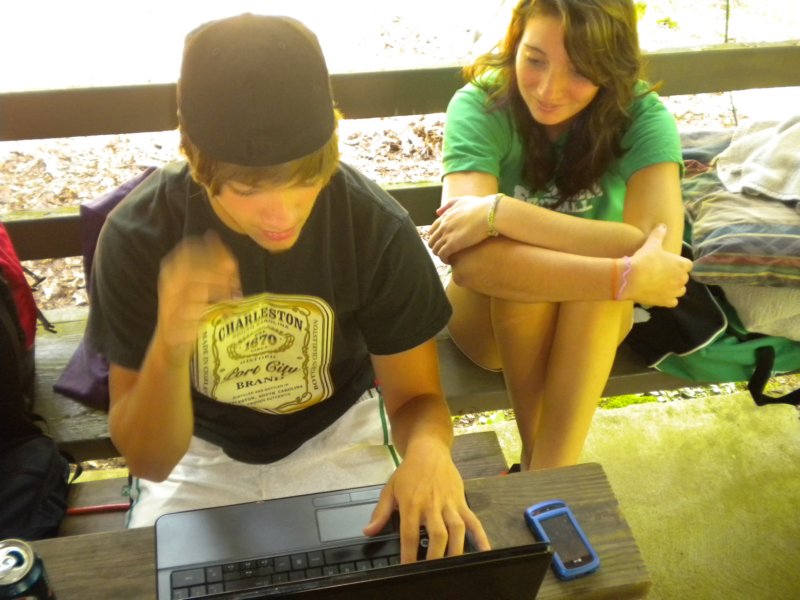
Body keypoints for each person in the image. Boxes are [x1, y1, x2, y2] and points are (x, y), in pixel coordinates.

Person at [86, 13, 489, 562]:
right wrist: (171, 345)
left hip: (337, 429)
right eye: (248, 189)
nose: (281, 215)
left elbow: (417, 399)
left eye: (304, 180)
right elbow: (151, 460)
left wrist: (428, 452)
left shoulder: (371, 227)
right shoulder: (140, 237)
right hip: (198, 447)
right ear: (198, 164)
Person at [426, 0, 692, 471]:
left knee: (593, 288)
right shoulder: (482, 105)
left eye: (581, 71)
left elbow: (663, 258)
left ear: (611, 67)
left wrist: (503, 214)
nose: (549, 90)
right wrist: (621, 272)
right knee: (564, 281)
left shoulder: (640, 115)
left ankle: (542, 473)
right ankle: (551, 477)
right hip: (487, 319)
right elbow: (471, 263)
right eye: (534, 60)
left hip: (589, 322)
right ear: (515, 43)